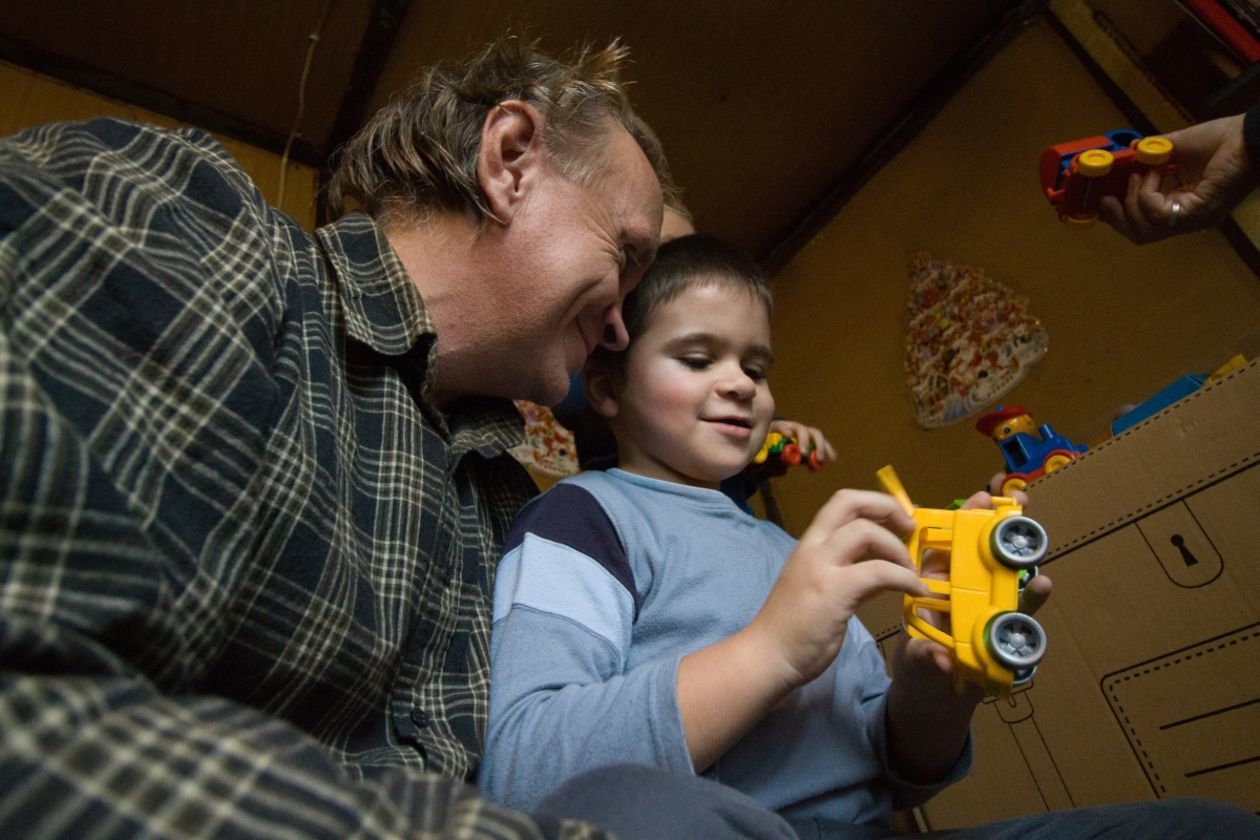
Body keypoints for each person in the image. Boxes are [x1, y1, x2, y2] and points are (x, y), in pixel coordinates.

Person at [0, 37, 804, 839]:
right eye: (626, 257)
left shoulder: (508, 509)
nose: (624, 329)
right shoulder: (200, 229)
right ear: (511, 161)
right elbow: (34, 714)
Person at [481, 234, 1260, 839]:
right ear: (607, 388)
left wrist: (935, 685)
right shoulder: (583, 518)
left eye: (757, 366)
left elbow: (896, 772)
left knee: (1208, 828)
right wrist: (772, 649)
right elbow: (525, 775)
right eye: (697, 357)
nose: (741, 384)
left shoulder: (786, 552)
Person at [1099, 106, 1259, 243]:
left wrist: (1242, 138)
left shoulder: (1177, 203)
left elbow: (1175, 210)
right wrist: (1242, 138)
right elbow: (1176, 210)